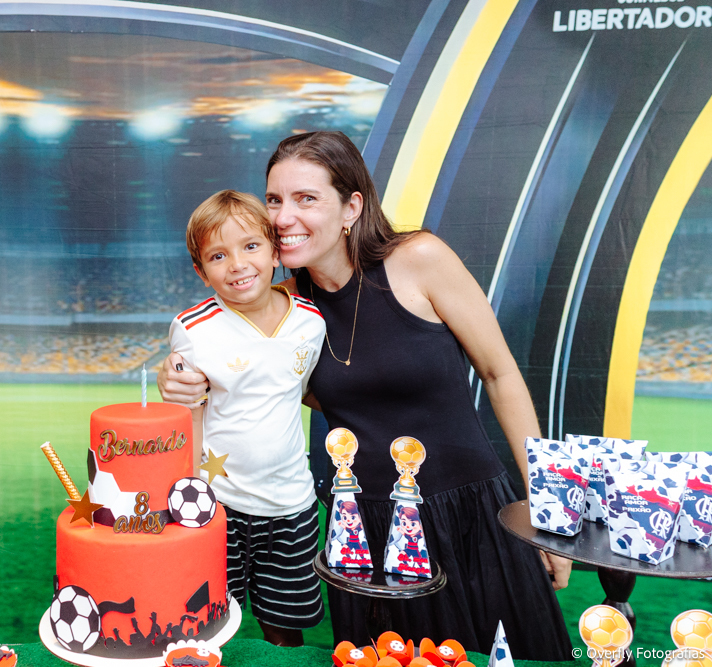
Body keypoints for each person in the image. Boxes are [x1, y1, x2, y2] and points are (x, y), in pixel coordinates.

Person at [159, 132, 573, 658]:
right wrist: (174, 374)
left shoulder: (419, 258)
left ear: (351, 206)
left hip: (469, 518)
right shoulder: (284, 308)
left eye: (306, 198)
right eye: (275, 199)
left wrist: (549, 511)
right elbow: (214, 355)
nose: (284, 216)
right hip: (362, 532)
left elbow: (501, 375)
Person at [169, 190, 326, 647]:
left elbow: (296, 390)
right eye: (218, 255)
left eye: (251, 246)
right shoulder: (193, 329)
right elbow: (188, 414)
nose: (237, 264)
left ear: (276, 251)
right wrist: (186, 496)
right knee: (210, 628)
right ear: (201, 272)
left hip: (291, 504)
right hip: (219, 505)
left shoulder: (311, 322)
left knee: (284, 630)